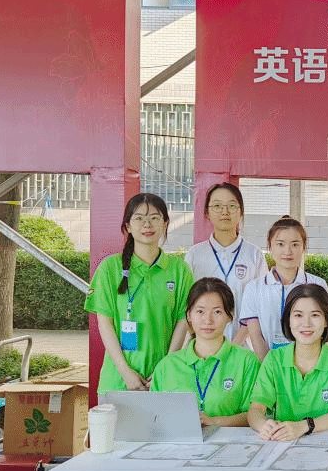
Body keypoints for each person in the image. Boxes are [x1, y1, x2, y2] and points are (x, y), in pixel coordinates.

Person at [85, 193, 193, 394]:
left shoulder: (179, 270)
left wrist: (164, 368)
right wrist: (125, 371)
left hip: (162, 380)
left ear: (165, 224)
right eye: (139, 218)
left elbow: (183, 320)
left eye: (154, 217)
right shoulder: (110, 268)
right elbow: (105, 323)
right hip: (118, 380)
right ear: (127, 226)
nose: (147, 224)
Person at [248, 284, 328, 440]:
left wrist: (304, 426)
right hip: (282, 442)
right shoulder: (274, 359)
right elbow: (255, 410)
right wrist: (264, 426)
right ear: (288, 320)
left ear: (327, 320)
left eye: (315, 315)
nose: (306, 323)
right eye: (298, 315)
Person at [150, 278, 259, 426]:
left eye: (217, 312)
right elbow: (154, 417)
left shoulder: (247, 362)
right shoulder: (167, 366)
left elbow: (256, 414)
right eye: (200, 311)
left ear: (229, 316)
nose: (208, 320)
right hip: (179, 441)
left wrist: (214, 421)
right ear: (189, 315)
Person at [184, 182, 267, 344]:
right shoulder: (195, 255)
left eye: (232, 206)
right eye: (217, 206)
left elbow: (259, 305)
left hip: (243, 347)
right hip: (202, 345)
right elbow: (187, 304)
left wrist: (235, 345)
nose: (225, 212)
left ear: (241, 212)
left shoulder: (254, 255)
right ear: (207, 213)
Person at [239, 216, 328, 360]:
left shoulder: (317, 285)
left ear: (303, 247)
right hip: (266, 364)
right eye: (280, 244)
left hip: (308, 364)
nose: (288, 251)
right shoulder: (254, 288)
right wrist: (270, 368)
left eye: (295, 244)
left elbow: (321, 332)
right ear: (270, 247)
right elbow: (255, 335)